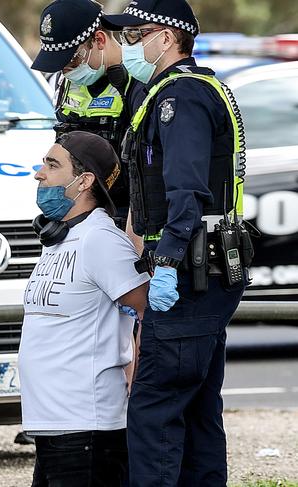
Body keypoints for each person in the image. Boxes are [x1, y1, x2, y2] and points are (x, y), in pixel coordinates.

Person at [103, 1, 249, 485]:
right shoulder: (193, 87)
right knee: (198, 409)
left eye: (136, 35)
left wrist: (164, 261)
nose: (130, 46)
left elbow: (186, 189)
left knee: (155, 412)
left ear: (167, 38)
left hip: (187, 272)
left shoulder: (180, 97)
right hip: (206, 268)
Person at [19, 131, 150, 486]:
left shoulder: (100, 239)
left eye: (52, 164)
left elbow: (146, 311)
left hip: (88, 427)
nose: (39, 173)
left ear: (84, 180)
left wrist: (136, 382)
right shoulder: (58, 239)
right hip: (53, 425)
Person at [31, 0, 136, 231]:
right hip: (76, 216)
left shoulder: (137, 81)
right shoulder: (64, 82)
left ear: (99, 40)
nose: (66, 70)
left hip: (124, 216)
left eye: (71, 59)